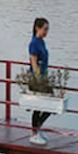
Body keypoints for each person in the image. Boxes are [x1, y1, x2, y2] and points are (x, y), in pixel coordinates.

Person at [28, 17, 51, 146]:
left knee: (50, 105)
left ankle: (37, 129)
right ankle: (34, 133)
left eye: (47, 30)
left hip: (43, 77)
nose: (46, 32)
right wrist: (39, 79)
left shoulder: (42, 42)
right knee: (39, 107)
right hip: (37, 79)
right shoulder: (34, 43)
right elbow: (34, 63)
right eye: (45, 29)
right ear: (37, 28)